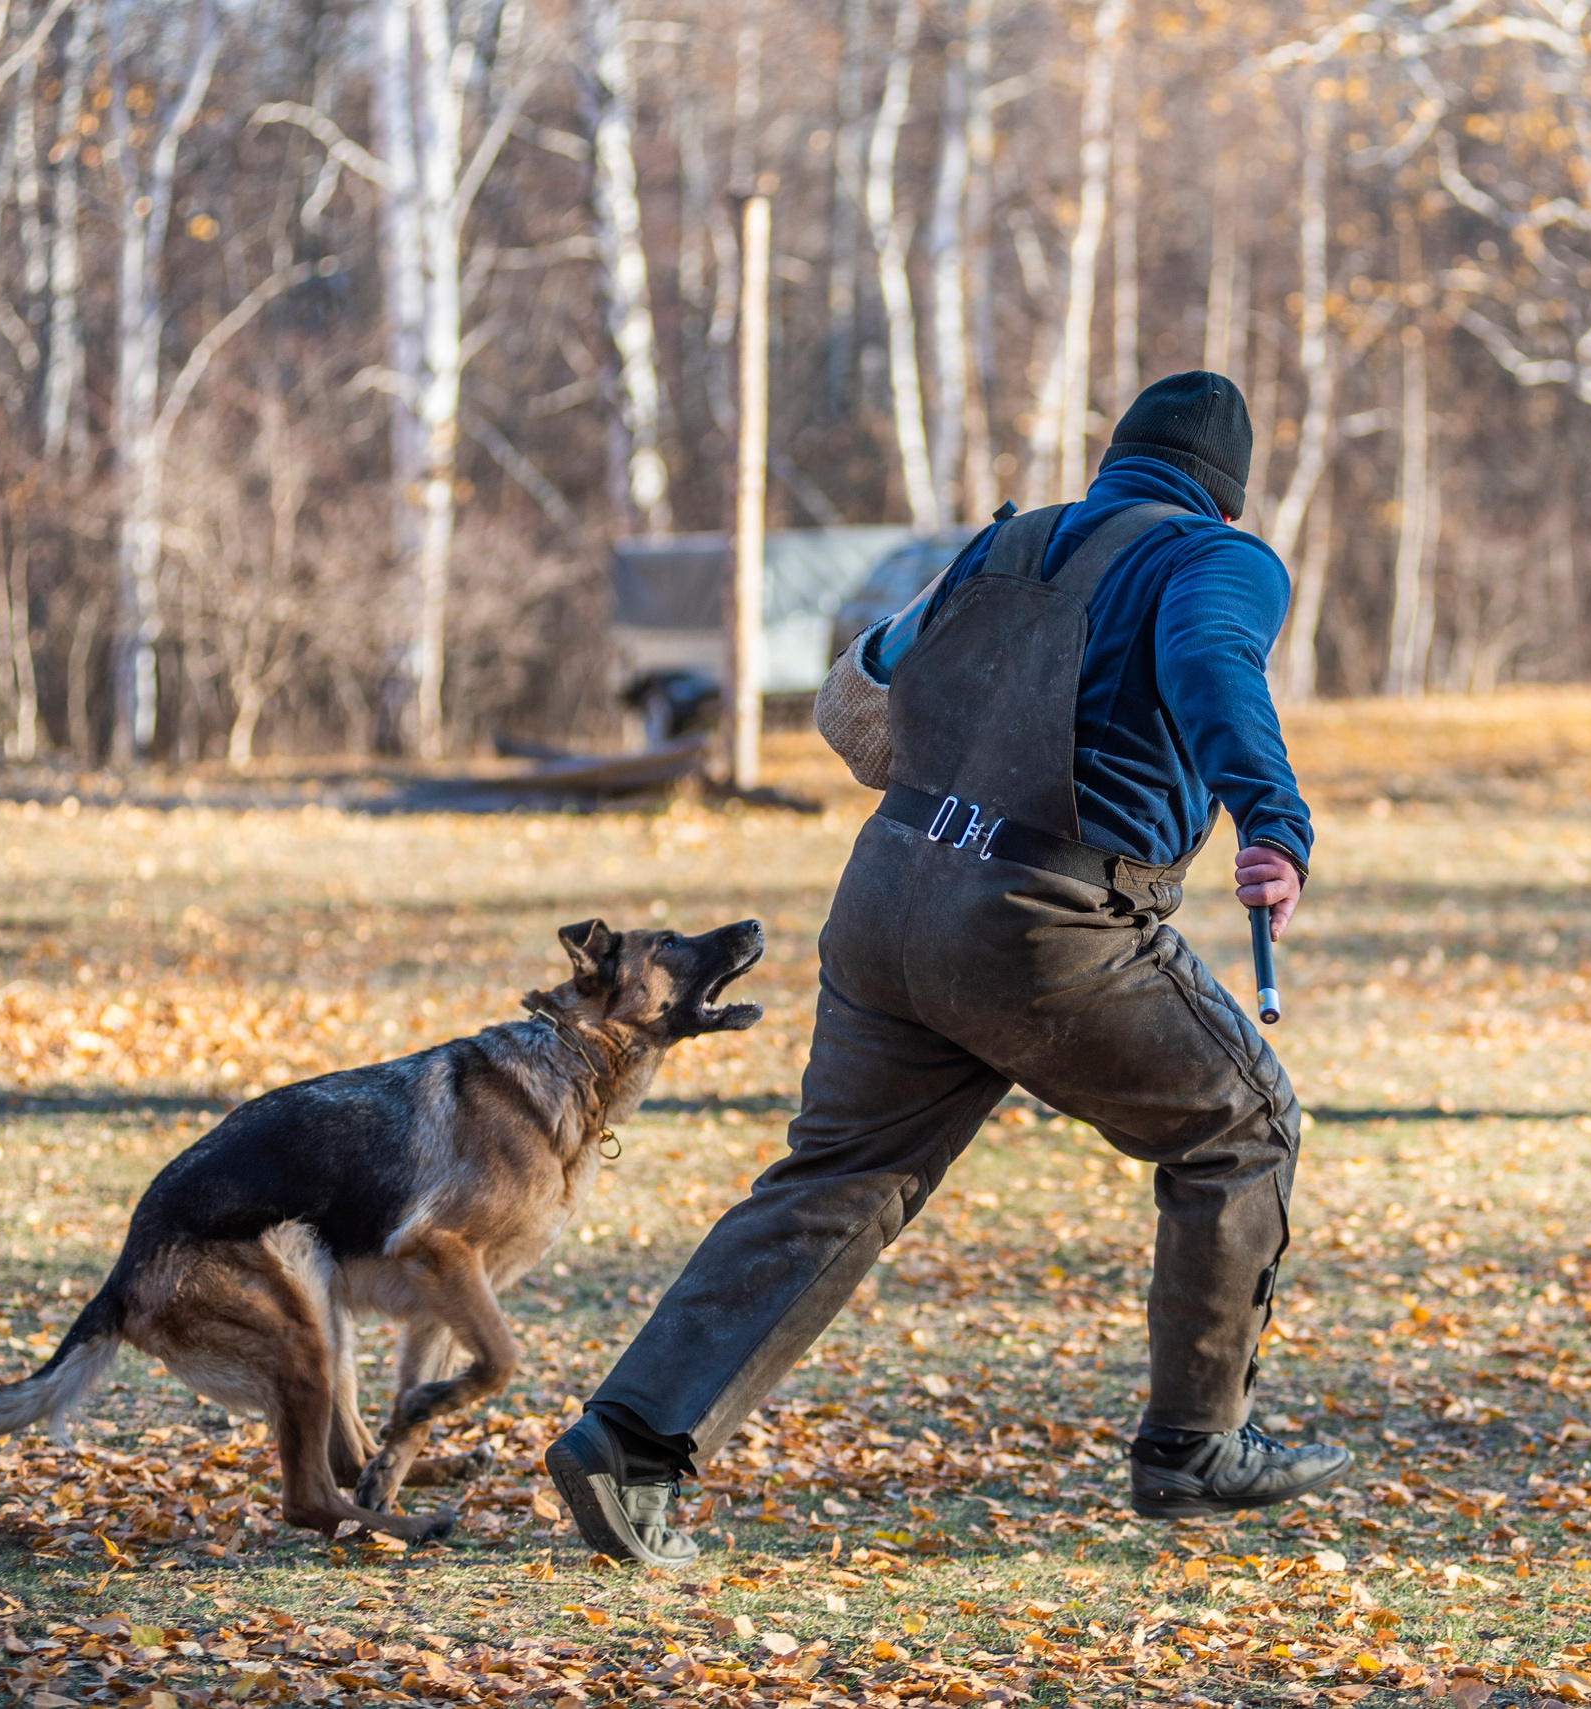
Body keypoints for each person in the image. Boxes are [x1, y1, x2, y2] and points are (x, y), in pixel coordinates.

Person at [545, 372, 1349, 1564]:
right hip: (1045, 917)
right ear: (1227, 488)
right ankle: (1194, 1445)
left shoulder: (1002, 542)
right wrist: (1269, 814)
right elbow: (1215, 663)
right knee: (1243, 1126)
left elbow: (861, 678)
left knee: (838, 1175)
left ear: (1117, 455)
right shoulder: (1218, 560)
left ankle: (630, 1440)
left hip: (887, 895)